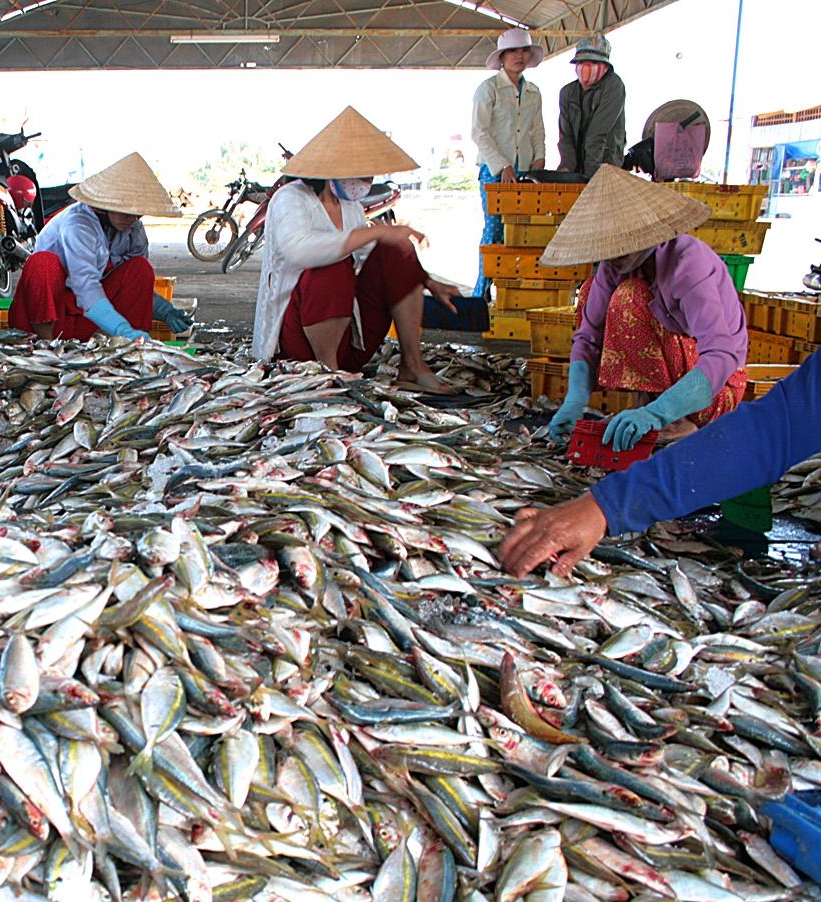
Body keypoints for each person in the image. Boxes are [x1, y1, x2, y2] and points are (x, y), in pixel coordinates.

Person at [501, 351, 820, 578]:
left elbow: (768, 428)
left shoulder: (693, 272)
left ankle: (688, 421)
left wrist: (662, 411)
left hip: (711, 386)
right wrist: (603, 506)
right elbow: (777, 428)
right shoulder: (610, 281)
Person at [250, 106, 461, 393]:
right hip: (296, 347)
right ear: (329, 170)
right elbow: (300, 251)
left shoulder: (349, 206)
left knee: (397, 250)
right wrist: (377, 231)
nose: (366, 182)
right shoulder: (290, 198)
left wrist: (425, 279)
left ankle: (412, 366)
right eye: (359, 173)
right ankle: (329, 374)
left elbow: (372, 253)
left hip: (350, 342)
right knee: (333, 266)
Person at [542, 165, 748, 452]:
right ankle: (647, 407)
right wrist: (575, 400)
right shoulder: (615, 267)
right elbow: (588, 337)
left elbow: (722, 355)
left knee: (630, 298)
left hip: (717, 388)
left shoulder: (687, 264)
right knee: (592, 290)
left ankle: (680, 419)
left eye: (622, 244)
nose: (614, 255)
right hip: (669, 383)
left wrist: (658, 413)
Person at [9, 153, 190, 342]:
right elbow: (86, 288)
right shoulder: (78, 224)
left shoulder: (133, 230)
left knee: (140, 269)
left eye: (138, 214)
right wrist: (122, 329)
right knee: (43, 263)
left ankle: (127, 348)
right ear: (106, 204)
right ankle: (46, 347)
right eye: (127, 212)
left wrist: (165, 311)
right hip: (48, 318)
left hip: (89, 319)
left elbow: (136, 286)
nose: (133, 219)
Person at [472, 28, 546, 297]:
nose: (520, 56)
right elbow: (478, 132)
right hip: (494, 171)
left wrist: (540, 158)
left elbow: (537, 130)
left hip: (525, 169)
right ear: (502, 58)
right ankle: (481, 293)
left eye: (524, 50)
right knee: (494, 231)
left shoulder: (534, 92)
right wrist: (502, 165)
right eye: (514, 51)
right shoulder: (488, 89)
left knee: (522, 232)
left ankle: (512, 291)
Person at [556, 35, 626, 178]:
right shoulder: (567, 93)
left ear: (605, 67)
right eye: (581, 62)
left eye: (594, 62)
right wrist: (566, 167)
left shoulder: (614, 86)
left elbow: (597, 133)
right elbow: (565, 136)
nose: (586, 67)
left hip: (606, 168)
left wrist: (590, 177)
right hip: (576, 169)